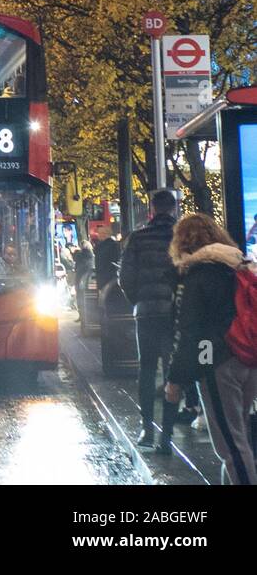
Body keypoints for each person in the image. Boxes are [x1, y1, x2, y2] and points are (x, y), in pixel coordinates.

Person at [165, 213, 257, 483]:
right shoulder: (237, 266)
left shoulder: (197, 275)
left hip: (220, 362)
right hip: (248, 357)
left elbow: (192, 331)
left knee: (229, 444)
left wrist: (179, 377)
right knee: (239, 436)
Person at [118, 188, 180, 449]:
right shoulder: (182, 236)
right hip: (174, 314)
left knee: (146, 370)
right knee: (172, 372)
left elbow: (125, 278)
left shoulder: (138, 238)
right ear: (174, 208)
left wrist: (139, 301)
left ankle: (147, 430)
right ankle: (167, 434)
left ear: (152, 209)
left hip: (146, 313)